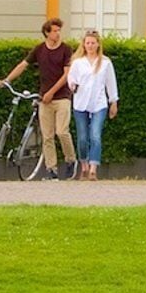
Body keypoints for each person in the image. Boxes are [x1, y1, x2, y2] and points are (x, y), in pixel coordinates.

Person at [0, 18, 78, 176]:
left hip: (62, 97)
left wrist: (51, 92)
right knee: (47, 136)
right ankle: (51, 168)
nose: (57, 34)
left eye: (59, 30)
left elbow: (66, 75)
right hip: (45, 99)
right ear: (47, 33)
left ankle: (70, 160)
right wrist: (7, 80)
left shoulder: (66, 49)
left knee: (62, 132)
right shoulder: (39, 49)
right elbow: (23, 65)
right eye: (54, 31)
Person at [63, 30, 119, 182]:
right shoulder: (78, 62)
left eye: (93, 43)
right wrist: (73, 85)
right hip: (81, 103)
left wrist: (113, 101)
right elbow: (71, 78)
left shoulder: (105, 63)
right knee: (82, 138)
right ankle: (84, 166)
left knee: (95, 135)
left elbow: (110, 83)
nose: (90, 46)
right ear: (84, 44)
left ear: (98, 44)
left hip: (98, 103)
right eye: (87, 43)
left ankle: (93, 168)